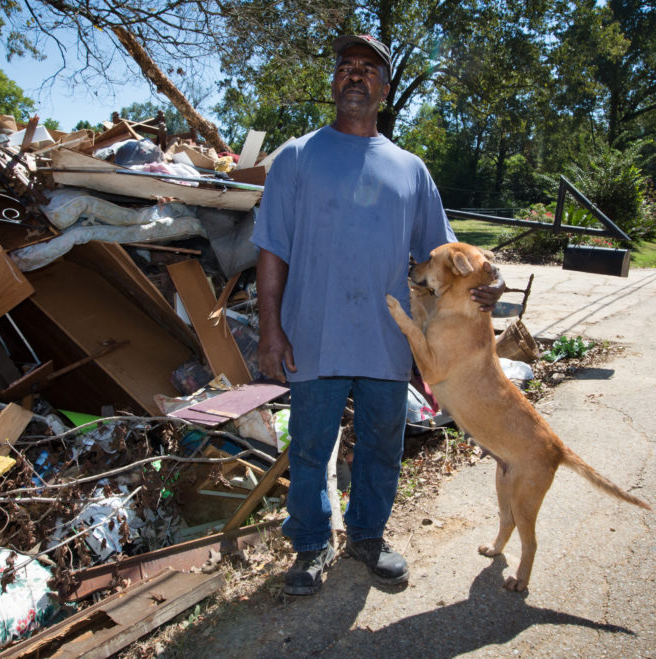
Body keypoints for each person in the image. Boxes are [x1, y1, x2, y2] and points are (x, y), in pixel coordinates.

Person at [252, 34, 505, 596]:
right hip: (311, 333)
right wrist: (270, 330)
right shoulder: (296, 157)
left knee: (382, 441)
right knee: (312, 447)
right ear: (334, 82)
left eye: (369, 69)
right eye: (346, 67)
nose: (355, 76)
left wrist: (493, 281)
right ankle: (313, 546)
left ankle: (366, 535)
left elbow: (449, 256)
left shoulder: (410, 170)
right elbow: (272, 249)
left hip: (388, 338)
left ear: (385, 90)